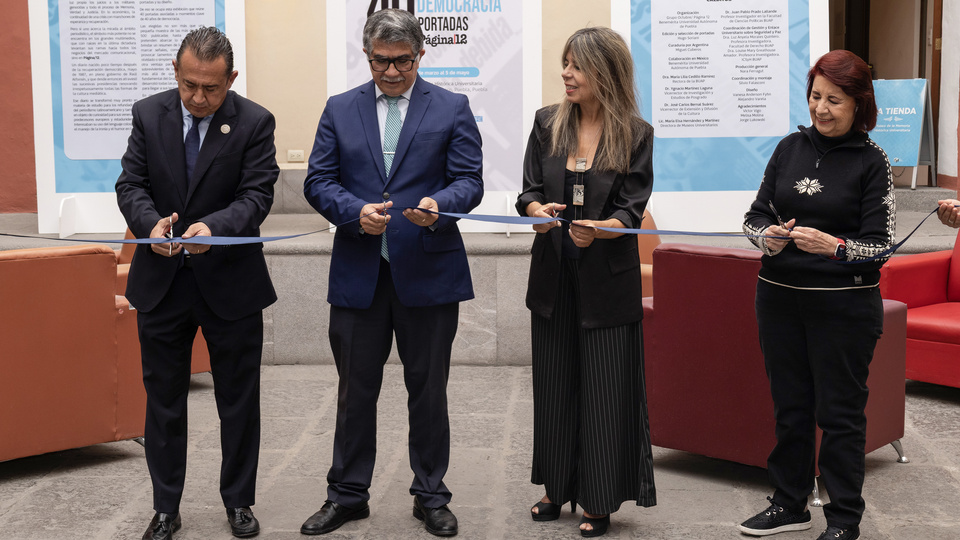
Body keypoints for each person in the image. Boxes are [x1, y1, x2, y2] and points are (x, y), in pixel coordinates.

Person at [299, 9, 483, 537]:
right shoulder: (340, 109)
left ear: (421, 55)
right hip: (360, 274)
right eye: (382, 61)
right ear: (367, 55)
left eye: (403, 61)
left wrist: (439, 205)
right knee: (355, 392)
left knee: (428, 391)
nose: (393, 72)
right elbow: (318, 181)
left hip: (429, 273)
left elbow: (469, 180)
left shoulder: (451, 107)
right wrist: (353, 211)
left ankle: (431, 495)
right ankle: (347, 494)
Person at [115, 26, 278, 540]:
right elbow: (131, 183)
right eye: (189, 85)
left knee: (238, 400)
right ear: (175, 71)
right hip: (162, 283)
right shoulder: (148, 114)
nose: (199, 98)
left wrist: (216, 229)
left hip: (230, 283)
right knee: (163, 401)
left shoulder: (254, 121)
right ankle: (166, 507)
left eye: (211, 87)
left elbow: (257, 194)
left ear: (231, 78)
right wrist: (150, 226)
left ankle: (239, 502)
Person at [740, 49, 895, 540]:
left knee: (840, 416)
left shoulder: (873, 162)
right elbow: (754, 216)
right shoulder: (789, 147)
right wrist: (767, 237)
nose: (820, 109)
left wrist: (836, 247)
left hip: (843, 308)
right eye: (815, 96)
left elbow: (881, 246)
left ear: (859, 103)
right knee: (790, 409)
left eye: (834, 100)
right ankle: (789, 504)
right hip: (779, 300)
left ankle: (844, 519)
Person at [515, 27, 656, 538]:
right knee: (554, 386)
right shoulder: (545, 122)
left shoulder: (636, 133)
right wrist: (536, 211)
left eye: (577, 65)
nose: (566, 74)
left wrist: (603, 229)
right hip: (553, 277)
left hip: (607, 282)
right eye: (565, 63)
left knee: (604, 392)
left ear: (605, 71)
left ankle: (598, 498)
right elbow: (528, 192)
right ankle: (555, 487)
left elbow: (631, 210)